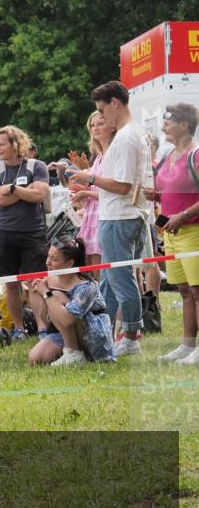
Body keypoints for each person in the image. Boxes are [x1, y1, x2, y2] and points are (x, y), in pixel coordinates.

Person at [67, 81, 152, 356]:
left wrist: (88, 178)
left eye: (102, 111)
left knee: (119, 278)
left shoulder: (126, 137)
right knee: (110, 281)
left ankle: (131, 335)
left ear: (115, 103)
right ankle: (107, 335)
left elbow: (123, 185)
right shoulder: (131, 134)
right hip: (119, 215)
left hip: (121, 216)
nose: (101, 117)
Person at [0, 125, 51, 342]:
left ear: (15, 144)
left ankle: (42, 328)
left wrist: (12, 189)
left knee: (36, 282)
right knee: (11, 284)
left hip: (33, 232)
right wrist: (25, 192)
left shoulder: (36, 166)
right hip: (5, 233)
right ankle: (19, 329)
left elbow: (39, 195)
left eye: (1, 144)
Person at [148, 104, 199, 364]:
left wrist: (183, 215)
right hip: (171, 233)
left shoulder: (196, 155)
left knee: (198, 290)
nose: (163, 125)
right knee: (184, 291)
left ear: (185, 125)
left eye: (169, 121)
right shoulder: (168, 156)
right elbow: (167, 192)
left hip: (193, 231)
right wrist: (154, 195)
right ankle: (187, 345)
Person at [26, 237, 115, 366]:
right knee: (36, 358)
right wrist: (36, 290)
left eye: (54, 259)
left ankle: (74, 353)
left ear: (69, 264)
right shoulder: (49, 279)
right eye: (48, 256)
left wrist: (46, 293)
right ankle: (70, 351)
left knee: (55, 295)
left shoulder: (87, 286)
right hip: (63, 333)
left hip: (94, 336)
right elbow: (43, 314)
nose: (47, 263)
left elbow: (68, 320)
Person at [70, 112, 118, 270]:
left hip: (105, 218)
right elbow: (97, 187)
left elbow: (117, 191)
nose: (95, 128)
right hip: (91, 218)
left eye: (100, 124)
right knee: (91, 269)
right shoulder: (99, 157)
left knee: (102, 271)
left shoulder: (115, 153)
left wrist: (86, 193)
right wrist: (83, 190)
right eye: (92, 125)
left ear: (112, 126)